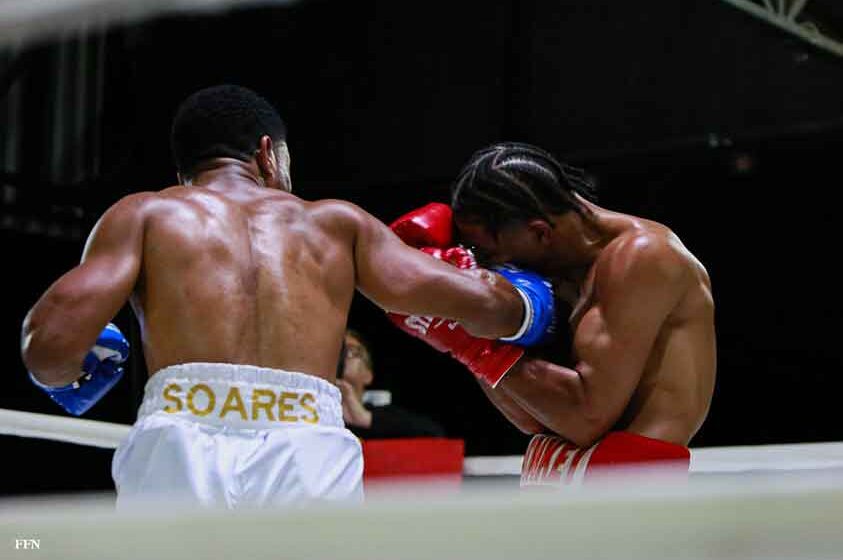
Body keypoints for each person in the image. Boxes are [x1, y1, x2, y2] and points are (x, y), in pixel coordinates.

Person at [19, 87, 558, 507]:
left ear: (184, 171)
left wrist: (76, 368)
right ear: (267, 154)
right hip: (307, 449)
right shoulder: (335, 225)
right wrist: (524, 295)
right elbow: (500, 312)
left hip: (181, 442)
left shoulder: (148, 214)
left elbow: (48, 351)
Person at [390, 142, 716, 485]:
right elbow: (534, 417)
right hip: (556, 472)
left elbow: (585, 418)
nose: (495, 266)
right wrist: (466, 322)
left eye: (491, 253)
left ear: (539, 232)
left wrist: (467, 338)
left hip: (629, 484)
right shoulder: (551, 278)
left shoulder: (643, 258)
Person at [336, 329, 445, 439]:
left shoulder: (383, 416)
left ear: (368, 375)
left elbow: (434, 435)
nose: (340, 358)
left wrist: (366, 419)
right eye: (335, 352)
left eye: (351, 351)